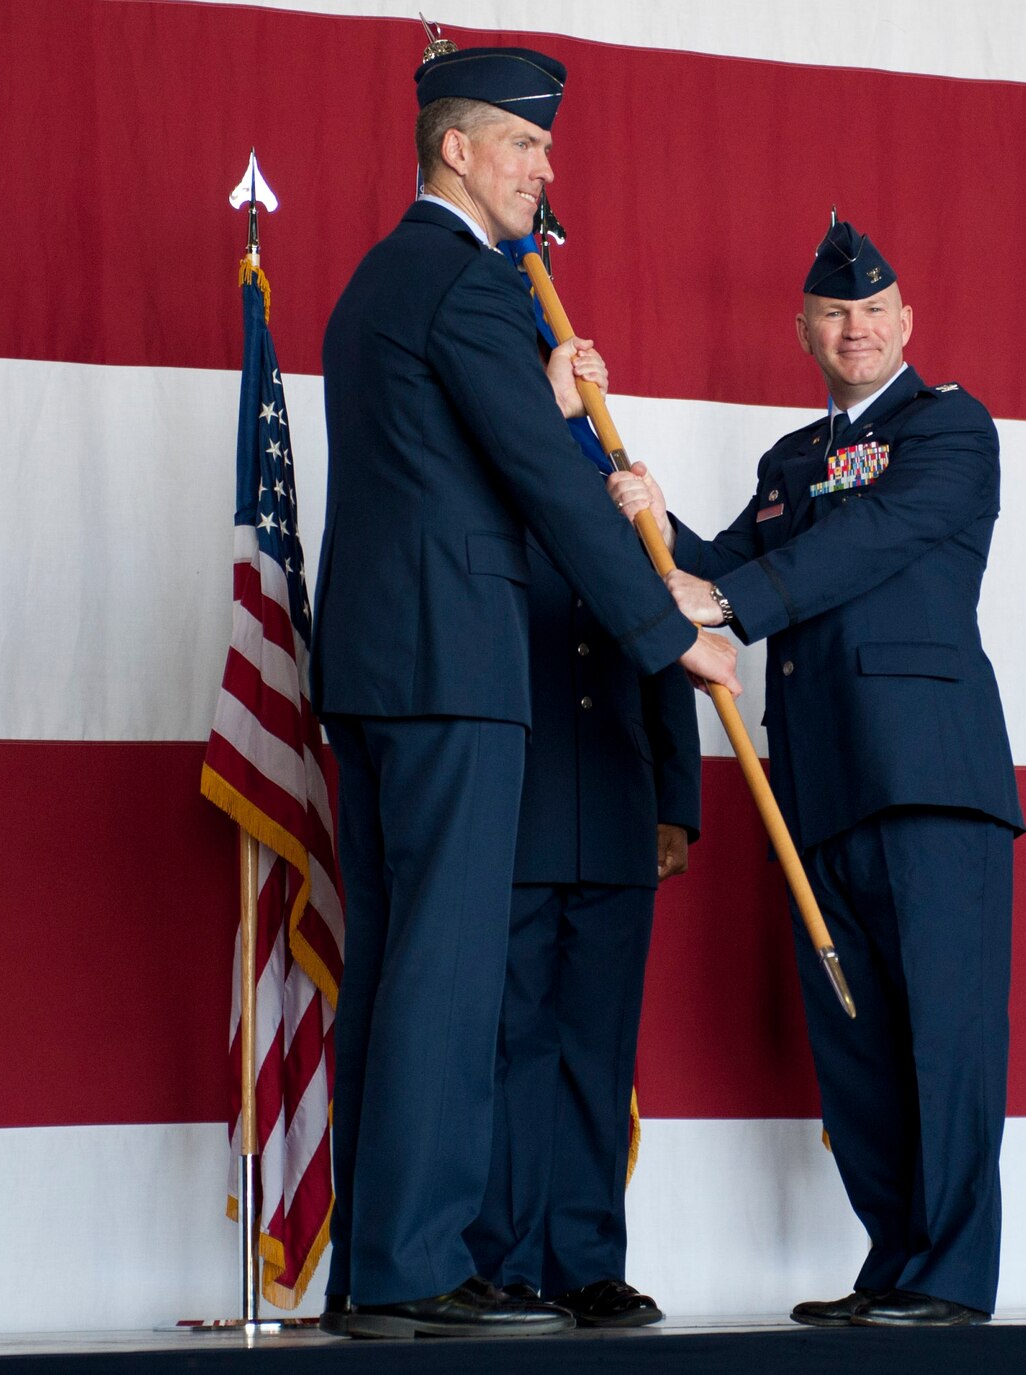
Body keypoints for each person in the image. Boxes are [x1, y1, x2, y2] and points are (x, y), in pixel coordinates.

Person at [310, 44, 738, 1339]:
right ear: (458, 148)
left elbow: (470, 457)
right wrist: (675, 631)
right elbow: (553, 488)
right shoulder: (474, 285)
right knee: (445, 973)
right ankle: (417, 1268)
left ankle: (379, 1261)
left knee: (391, 966)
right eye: (526, 146)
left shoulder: (380, 284)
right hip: (456, 669)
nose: (546, 172)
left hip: (383, 668)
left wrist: (546, 408)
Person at [609, 221, 1022, 1328]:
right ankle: (896, 1263)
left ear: (906, 323)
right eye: (834, 313)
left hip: (931, 778)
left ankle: (949, 1275)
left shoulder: (949, 429)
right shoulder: (791, 463)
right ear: (802, 329)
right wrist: (656, 526)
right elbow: (724, 571)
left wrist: (726, 598)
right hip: (819, 783)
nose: (856, 326)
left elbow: (867, 542)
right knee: (857, 1045)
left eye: (875, 309)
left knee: (944, 1037)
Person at [464, 519, 702, 1329]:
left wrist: (676, 803)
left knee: (599, 1053)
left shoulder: (628, 510)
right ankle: (506, 1265)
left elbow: (668, 652)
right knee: (513, 1050)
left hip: (615, 810)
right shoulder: (491, 489)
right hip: (517, 812)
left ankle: (589, 1264)